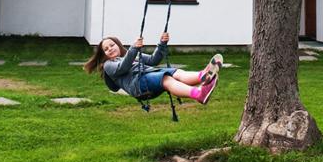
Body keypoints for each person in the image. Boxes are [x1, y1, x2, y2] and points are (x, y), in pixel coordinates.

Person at [83, 32, 222, 105]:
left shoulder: (133, 55)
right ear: (104, 54)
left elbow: (153, 60)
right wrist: (133, 49)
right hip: (138, 85)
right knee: (167, 79)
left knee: (176, 72)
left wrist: (162, 43)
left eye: (112, 45)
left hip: (148, 77)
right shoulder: (108, 65)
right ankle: (198, 94)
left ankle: (203, 76)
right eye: (106, 49)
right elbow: (122, 67)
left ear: (118, 45)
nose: (110, 49)